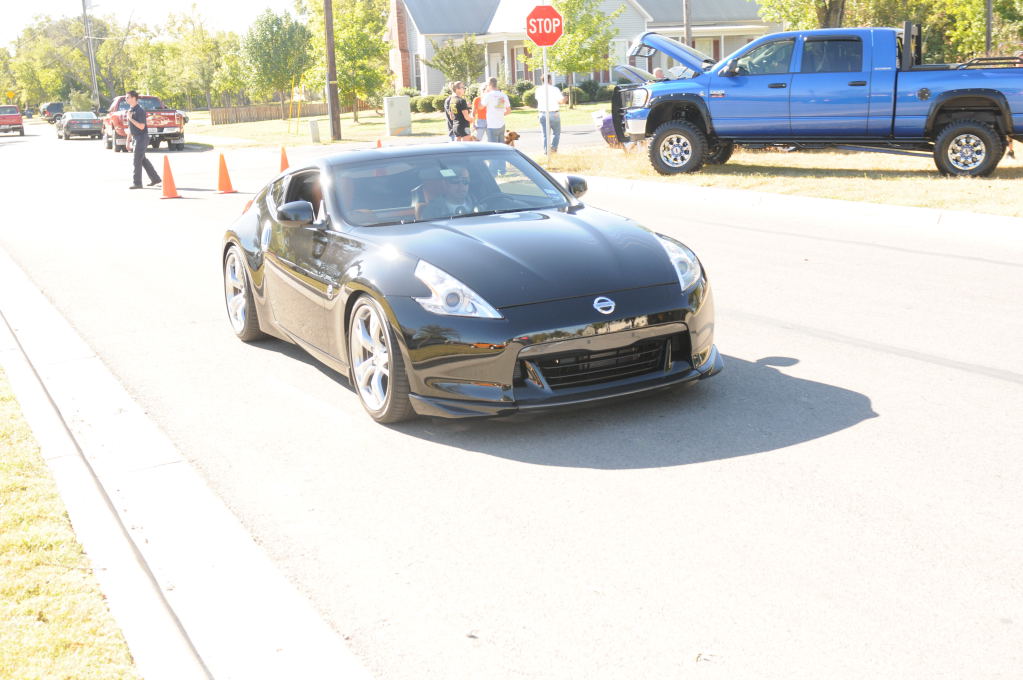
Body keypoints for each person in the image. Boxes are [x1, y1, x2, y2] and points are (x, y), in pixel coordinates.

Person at [124, 90, 161, 189]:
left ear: (133, 98)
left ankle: (137, 183)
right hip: (136, 138)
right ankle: (155, 178)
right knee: (142, 160)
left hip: (142, 138)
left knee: (136, 161)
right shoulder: (130, 110)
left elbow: (141, 126)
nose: (126, 99)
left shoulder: (140, 110)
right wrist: (128, 141)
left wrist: (131, 119)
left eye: (127, 97)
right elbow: (130, 128)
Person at [535, 74, 567, 154]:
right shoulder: (555, 89)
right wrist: (565, 98)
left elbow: (538, 100)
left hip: (542, 113)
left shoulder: (538, 90)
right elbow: (561, 101)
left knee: (545, 135)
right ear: (549, 80)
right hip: (553, 113)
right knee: (556, 133)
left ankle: (546, 152)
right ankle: (553, 148)